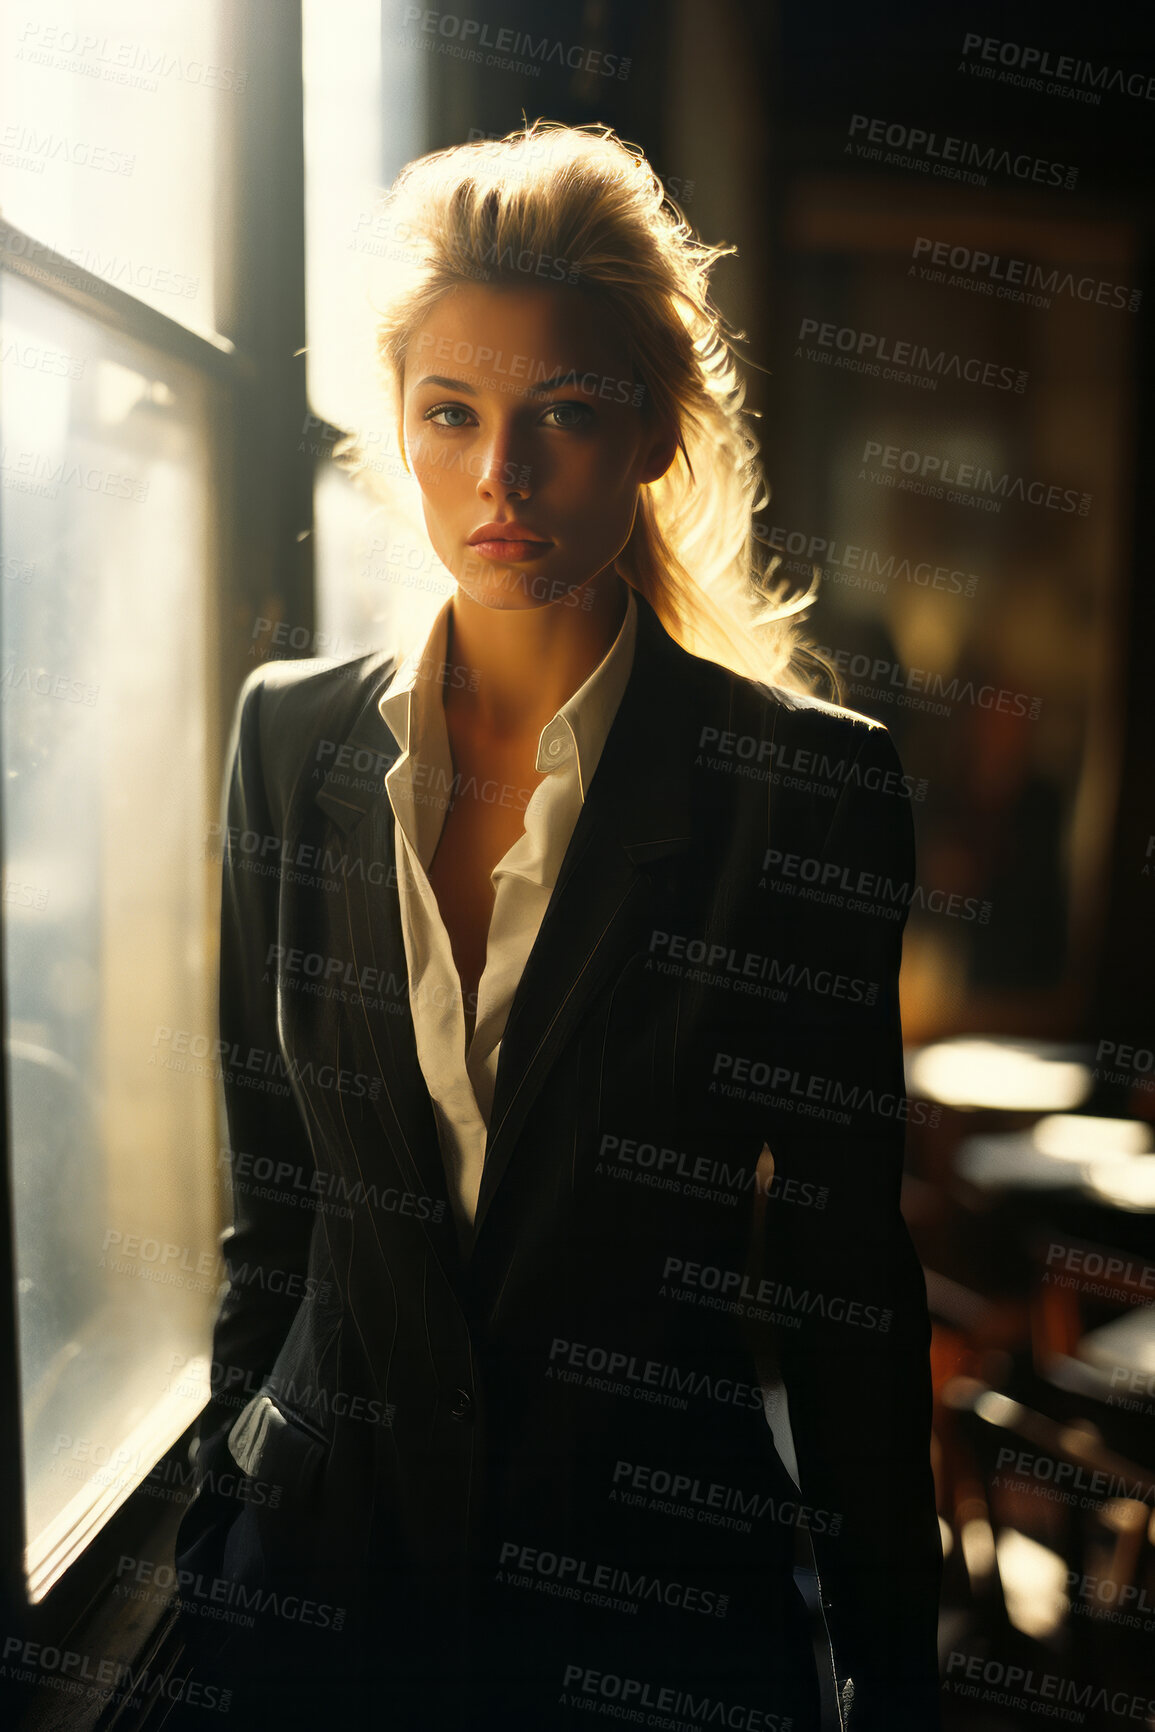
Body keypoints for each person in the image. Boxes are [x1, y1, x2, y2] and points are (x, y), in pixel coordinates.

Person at [170, 121, 942, 1731]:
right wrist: (221, 1530)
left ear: (654, 430)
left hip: (651, 1626)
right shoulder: (289, 743)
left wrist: (889, 1662)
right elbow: (275, 1213)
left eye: (563, 417)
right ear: (399, 430)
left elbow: (847, 1281)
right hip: (314, 1609)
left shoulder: (798, 799)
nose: (499, 480)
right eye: (452, 416)